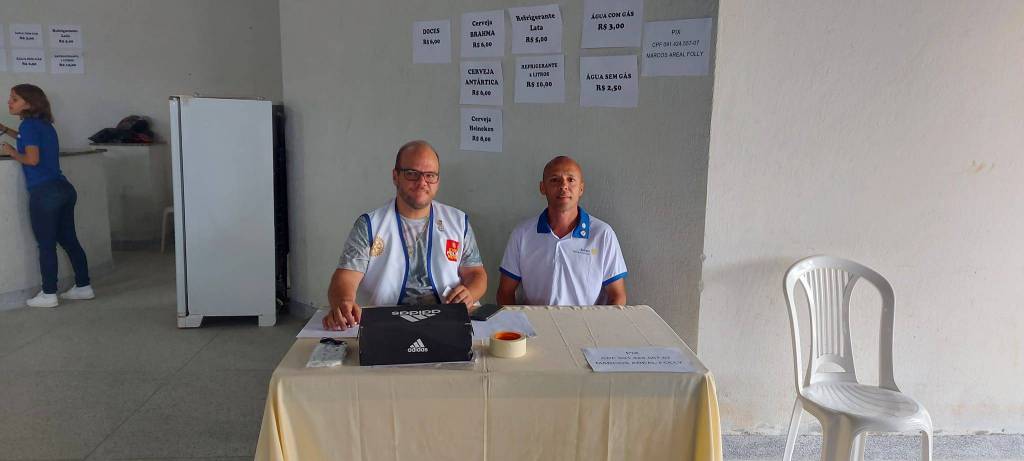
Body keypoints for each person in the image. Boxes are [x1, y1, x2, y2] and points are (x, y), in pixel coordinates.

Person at [323, 140, 487, 330]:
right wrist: (344, 302)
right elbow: (345, 277)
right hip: (387, 323)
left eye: (430, 175)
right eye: (412, 173)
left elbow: (476, 274)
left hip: (448, 321)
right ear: (396, 177)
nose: (422, 182)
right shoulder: (370, 225)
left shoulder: (458, 221)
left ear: (437, 181)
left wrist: (470, 293)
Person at [0, 84, 94, 308]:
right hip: (63, 189)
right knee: (70, 241)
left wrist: (11, 152)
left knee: (46, 244)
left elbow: (32, 160)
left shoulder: (28, 126)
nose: (9, 102)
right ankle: (84, 287)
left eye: (14, 99)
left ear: (29, 103)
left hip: (45, 193)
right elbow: (25, 138)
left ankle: (49, 293)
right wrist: (5, 130)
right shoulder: (42, 125)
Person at [497, 156, 627, 306]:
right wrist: (515, 321)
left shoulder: (603, 234)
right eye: (555, 180)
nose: (563, 186)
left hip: (588, 321)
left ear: (581, 188)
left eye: (571, 180)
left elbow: (618, 296)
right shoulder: (522, 234)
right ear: (542, 188)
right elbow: (505, 292)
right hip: (536, 321)